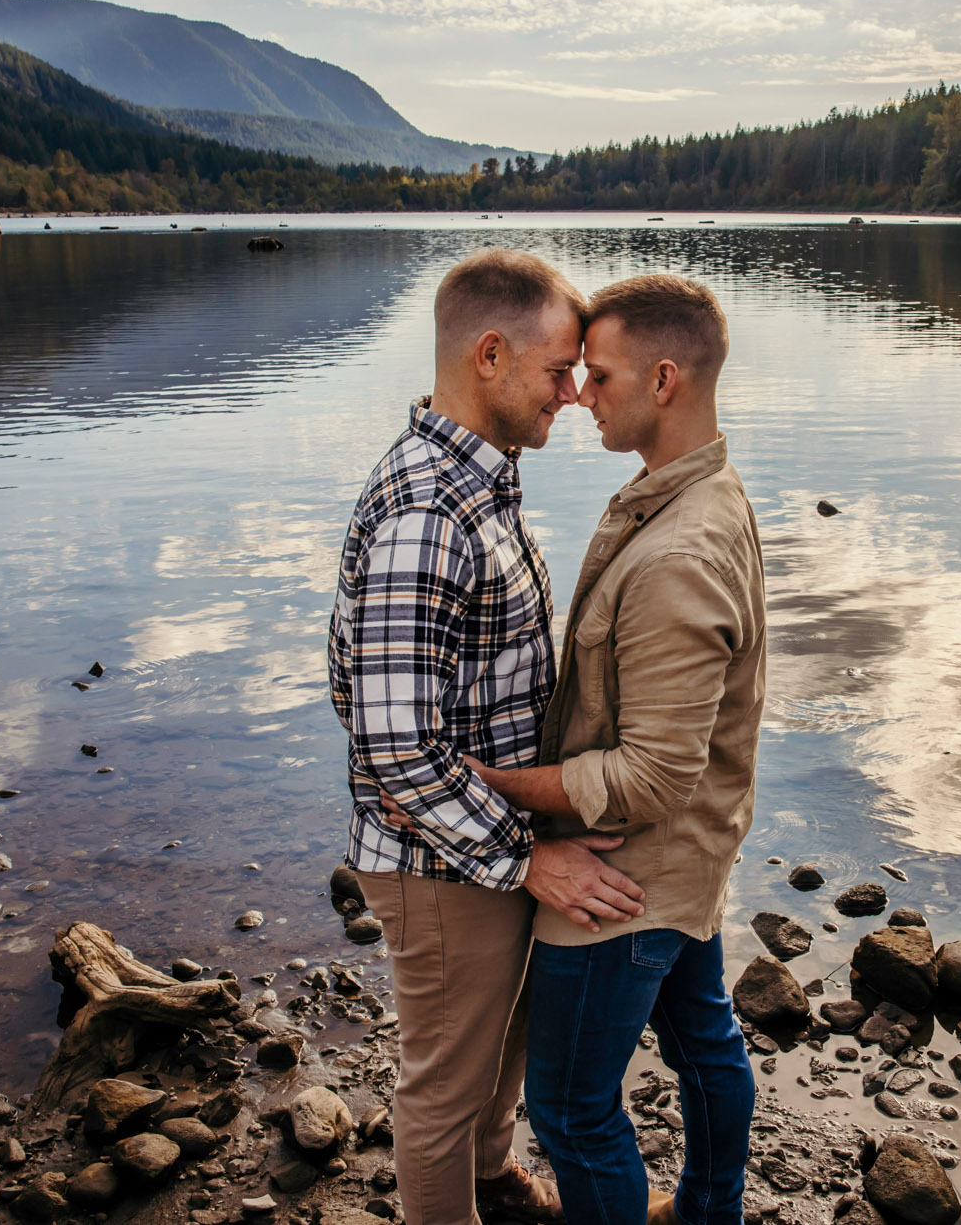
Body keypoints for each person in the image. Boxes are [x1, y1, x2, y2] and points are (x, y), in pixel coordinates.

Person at [329, 248, 649, 1225]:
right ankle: (453, 1195)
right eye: (559, 371)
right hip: (438, 859)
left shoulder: (479, 478)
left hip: (484, 833)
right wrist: (526, 859)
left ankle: (493, 1178)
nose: (574, 394)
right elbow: (394, 745)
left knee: (502, 1039)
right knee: (443, 1080)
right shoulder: (428, 509)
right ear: (489, 354)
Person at [455, 275, 767, 1225]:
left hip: (618, 882)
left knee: (572, 1110)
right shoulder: (695, 488)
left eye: (600, 374)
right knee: (706, 1044)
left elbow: (650, 773)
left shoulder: (678, 553)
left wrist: (491, 783)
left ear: (664, 379)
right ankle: (710, 1212)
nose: (579, 393)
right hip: (686, 861)